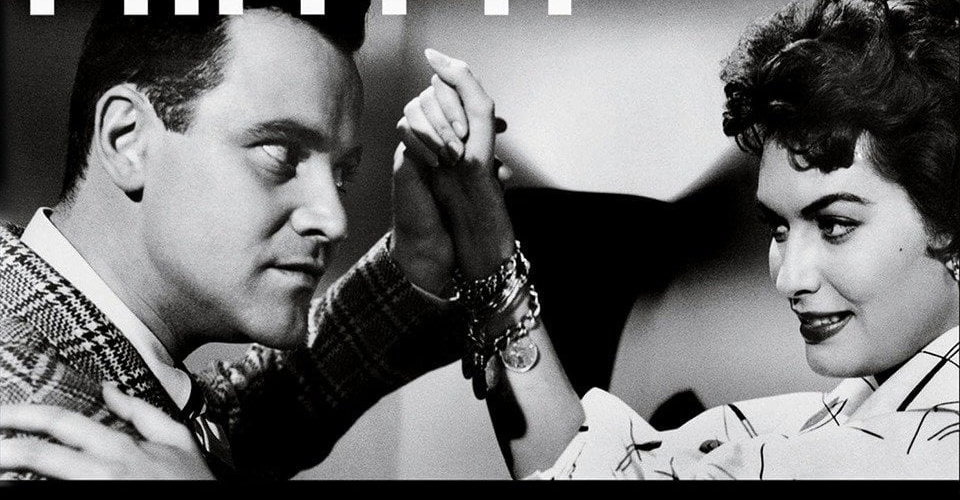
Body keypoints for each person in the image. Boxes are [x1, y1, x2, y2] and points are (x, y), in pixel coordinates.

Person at [396, 0, 959, 479]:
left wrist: (486, 246)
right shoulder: (860, 408)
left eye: (835, 224)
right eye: (779, 228)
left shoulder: (924, 452)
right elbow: (582, 465)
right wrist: (482, 244)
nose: (790, 278)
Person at [0, 0, 496, 479]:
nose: (334, 219)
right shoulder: (36, 443)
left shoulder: (71, 363)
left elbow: (240, 418)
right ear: (126, 138)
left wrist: (417, 264)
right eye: (280, 154)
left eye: (342, 176)